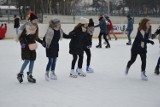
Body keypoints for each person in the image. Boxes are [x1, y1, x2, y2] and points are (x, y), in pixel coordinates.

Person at [16, 14, 44, 83]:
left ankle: (30, 75)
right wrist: (22, 44)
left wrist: (42, 42)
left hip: (32, 45)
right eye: (35, 20)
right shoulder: (25, 26)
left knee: (32, 59)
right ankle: (20, 74)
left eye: (36, 20)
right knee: (27, 60)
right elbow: (20, 36)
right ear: (31, 20)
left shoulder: (36, 26)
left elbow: (36, 37)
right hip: (25, 45)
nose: (36, 21)